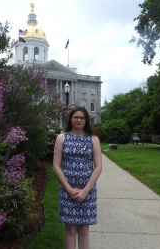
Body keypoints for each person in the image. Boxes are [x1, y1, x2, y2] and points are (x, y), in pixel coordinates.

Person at [53, 106, 102, 249]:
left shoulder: (93, 139)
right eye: (76, 117)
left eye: (82, 117)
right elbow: (56, 166)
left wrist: (85, 191)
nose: (79, 120)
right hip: (67, 191)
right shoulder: (62, 138)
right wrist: (68, 189)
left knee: (84, 230)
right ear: (71, 119)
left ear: (86, 120)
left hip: (88, 191)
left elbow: (98, 167)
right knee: (70, 230)